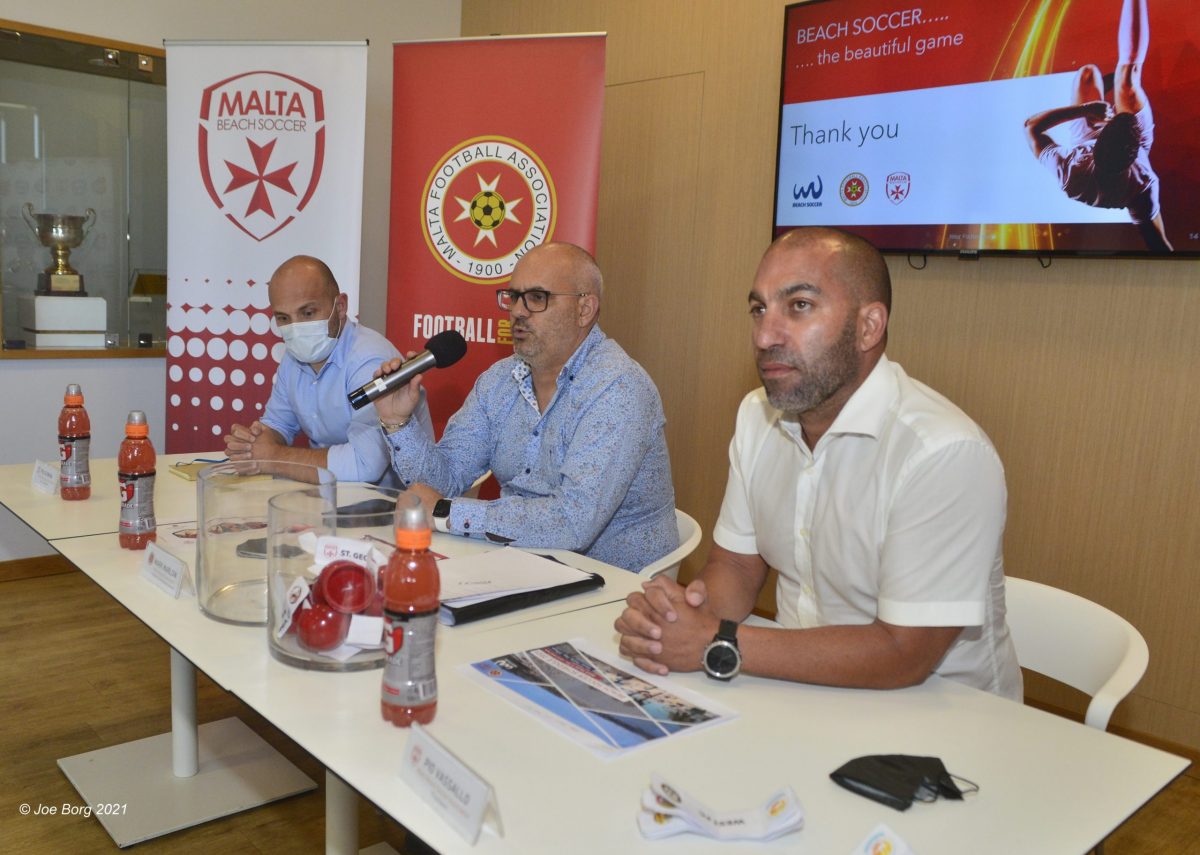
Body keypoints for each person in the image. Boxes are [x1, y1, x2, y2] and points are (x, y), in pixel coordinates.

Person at [615, 227, 1022, 700]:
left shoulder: (943, 451)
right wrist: (681, 613)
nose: (765, 335)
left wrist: (717, 641)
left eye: (799, 306)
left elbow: (904, 653)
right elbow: (738, 568)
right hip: (796, 687)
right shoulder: (757, 416)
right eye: (758, 309)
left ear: (869, 326)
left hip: (939, 720)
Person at [372, 241, 679, 573]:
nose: (517, 311)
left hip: (614, 584)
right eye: (513, 297)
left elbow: (572, 521)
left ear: (584, 309)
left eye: (536, 298)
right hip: (524, 566)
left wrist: (447, 512)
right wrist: (398, 422)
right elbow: (443, 481)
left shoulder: (617, 387)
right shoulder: (500, 380)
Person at [224, 255, 431, 485]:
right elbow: (278, 425)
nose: (296, 328)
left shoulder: (370, 360)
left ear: (340, 307)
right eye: (284, 318)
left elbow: (364, 465)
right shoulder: (293, 359)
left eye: (308, 313)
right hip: (329, 502)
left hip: (393, 507)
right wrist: (252, 444)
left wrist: (272, 457)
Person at [1024, 0, 1171, 251]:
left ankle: (1108, 89)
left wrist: (1086, 110)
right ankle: (1121, 82)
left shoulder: (1073, 172)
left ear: (1096, 148)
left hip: (1088, 140)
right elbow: (1159, 243)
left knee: (1087, 73)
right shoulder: (1143, 184)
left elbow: (1031, 127)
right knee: (1128, 78)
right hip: (1132, 145)